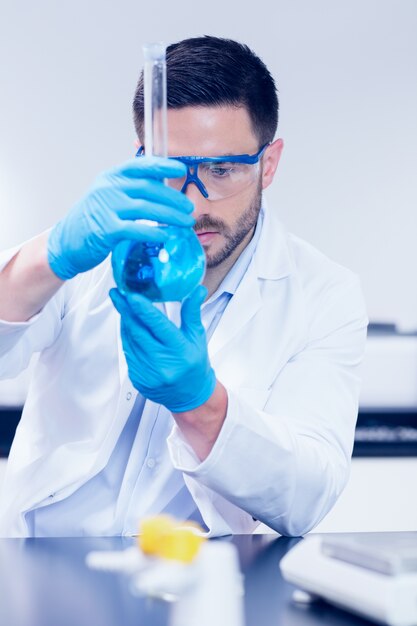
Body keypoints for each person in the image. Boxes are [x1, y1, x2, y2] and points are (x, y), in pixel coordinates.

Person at [0, 36, 367, 538]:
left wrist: (199, 403)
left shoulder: (324, 295)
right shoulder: (90, 245)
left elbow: (306, 497)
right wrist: (50, 258)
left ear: (269, 162)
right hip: (38, 568)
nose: (195, 204)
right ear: (142, 157)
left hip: (198, 589)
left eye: (223, 170)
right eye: (174, 171)